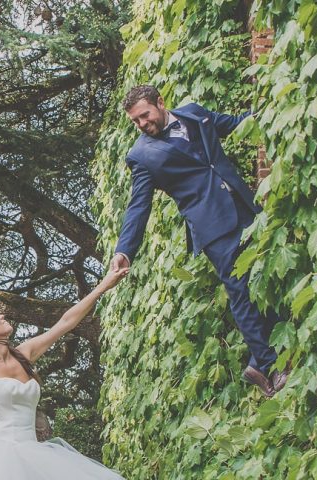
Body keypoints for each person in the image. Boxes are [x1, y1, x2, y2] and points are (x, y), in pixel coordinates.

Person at [110, 84, 289, 397]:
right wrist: (125, 249)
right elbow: (139, 206)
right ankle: (270, 364)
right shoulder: (141, 156)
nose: (142, 124)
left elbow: (235, 124)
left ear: (160, 102)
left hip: (244, 209)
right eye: (135, 121)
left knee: (263, 277)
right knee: (240, 292)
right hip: (213, 227)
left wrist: (272, 107)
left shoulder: (194, 113)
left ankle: (261, 360)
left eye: (144, 115)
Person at [0, 266, 129, 480]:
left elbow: (65, 322)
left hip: (33, 453)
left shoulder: (24, 354)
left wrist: (104, 285)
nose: (2, 315)